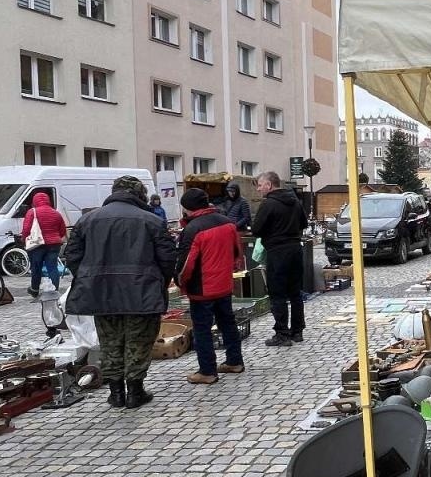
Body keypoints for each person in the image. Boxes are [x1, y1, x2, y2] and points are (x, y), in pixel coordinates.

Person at [64, 174, 177, 409]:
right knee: (139, 340)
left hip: (101, 292)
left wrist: (90, 277)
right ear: (139, 194)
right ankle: (135, 391)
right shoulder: (151, 221)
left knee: (110, 341)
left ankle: (115, 393)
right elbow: (168, 259)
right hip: (142, 291)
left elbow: (72, 256)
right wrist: (160, 282)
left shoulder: (87, 220)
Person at [174, 187, 244, 383]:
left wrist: (181, 281)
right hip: (223, 283)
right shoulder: (227, 222)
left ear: (188, 208)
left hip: (203, 287)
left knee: (202, 329)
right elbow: (237, 251)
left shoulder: (193, 229)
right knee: (227, 323)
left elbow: (186, 263)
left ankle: (207, 371)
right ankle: (234, 361)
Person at [251, 170, 308, 347]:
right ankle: (297, 331)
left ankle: (282, 333)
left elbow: (257, 230)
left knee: (277, 293)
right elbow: (304, 224)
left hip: (277, 251)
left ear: (269, 185)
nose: (259, 189)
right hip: (295, 249)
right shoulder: (294, 201)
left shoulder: (268, 204)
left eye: (260, 185)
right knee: (295, 292)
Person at [20, 191, 67, 298]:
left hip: (37, 245)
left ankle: (35, 289)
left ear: (34, 201)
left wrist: (24, 239)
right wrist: (55, 236)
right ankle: (54, 290)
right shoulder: (56, 213)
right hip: (54, 244)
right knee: (52, 267)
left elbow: (26, 229)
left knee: (36, 267)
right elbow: (62, 230)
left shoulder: (32, 212)